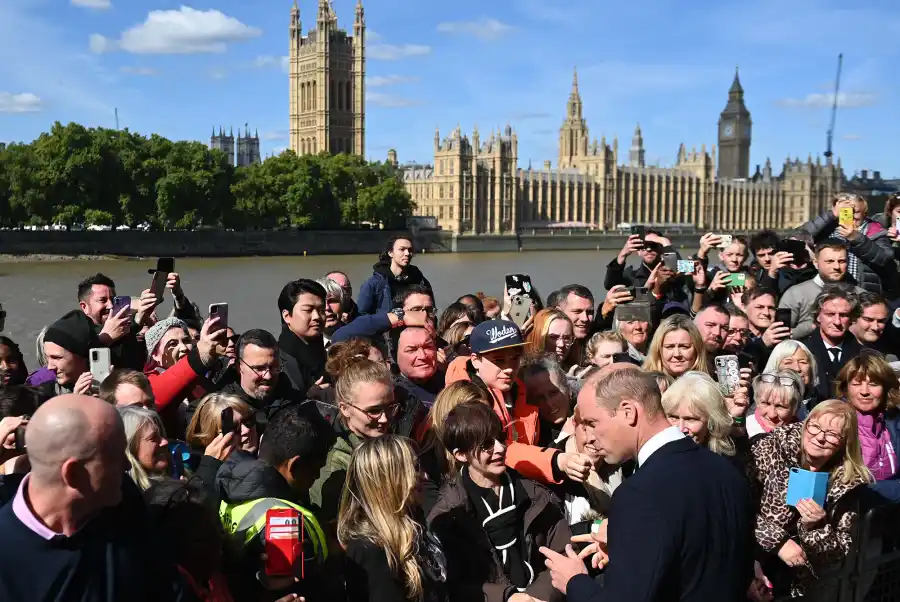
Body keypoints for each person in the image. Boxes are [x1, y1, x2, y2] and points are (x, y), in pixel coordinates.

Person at [540, 369, 754, 602]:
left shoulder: (639, 494)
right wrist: (630, 549)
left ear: (628, 412)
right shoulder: (726, 471)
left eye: (592, 422)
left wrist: (575, 582)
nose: (590, 436)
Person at [0, 394, 188, 600]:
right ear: (73, 474)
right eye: (115, 456)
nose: (127, 465)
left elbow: (166, 586)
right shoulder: (7, 560)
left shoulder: (122, 499)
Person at [429, 402, 571, 602]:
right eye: (486, 444)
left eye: (501, 438)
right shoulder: (448, 514)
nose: (500, 448)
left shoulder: (535, 495)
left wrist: (537, 596)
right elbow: (449, 583)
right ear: (461, 454)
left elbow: (563, 551)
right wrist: (507, 598)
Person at [749, 400, 872, 599]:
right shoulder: (771, 448)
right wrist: (778, 543)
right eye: (815, 426)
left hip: (799, 585)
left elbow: (837, 554)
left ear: (844, 442)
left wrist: (816, 528)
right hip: (751, 562)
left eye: (832, 434)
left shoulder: (846, 482)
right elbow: (738, 508)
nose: (820, 438)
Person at [445, 319, 590, 486]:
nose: (509, 368)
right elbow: (500, 449)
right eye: (499, 360)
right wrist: (557, 460)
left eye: (514, 359)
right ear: (476, 360)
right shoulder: (465, 399)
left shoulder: (518, 389)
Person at [217, 402, 333, 602]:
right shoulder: (283, 522)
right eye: (317, 468)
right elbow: (296, 590)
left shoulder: (228, 485)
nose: (317, 476)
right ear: (295, 465)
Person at [339, 435, 449, 602]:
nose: (425, 476)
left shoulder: (414, 519)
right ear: (389, 480)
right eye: (415, 467)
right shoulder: (370, 549)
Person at [309, 359, 396, 526]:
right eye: (374, 411)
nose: (385, 418)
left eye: (390, 407)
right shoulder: (337, 467)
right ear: (345, 409)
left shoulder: (392, 443)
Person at [834, 353, 900, 498]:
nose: (864, 392)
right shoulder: (833, 422)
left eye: (873, 384)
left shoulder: (894, 421)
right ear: (846, 387)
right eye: (857, 384)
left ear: (886, 387)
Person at [216, 329, 306, 434]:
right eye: (259, 368)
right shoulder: (221, 408)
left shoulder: (295, 401)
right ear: (238, 367)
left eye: (273, 367)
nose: (268, 376)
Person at [803, 192, 894, 294]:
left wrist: (857, 238)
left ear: (864, 212)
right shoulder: (827, 230)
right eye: (846, 211)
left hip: (865, 294)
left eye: (855, 212)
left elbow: (885, 259)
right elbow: (798, 236)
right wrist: (831, 214)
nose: (851, 216)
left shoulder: (875, 231)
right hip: (829, 292)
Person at [779, 241, 864, 339]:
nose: (836, 267)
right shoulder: (794, 294)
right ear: (815, 262)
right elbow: (780, 336)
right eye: (830, 261)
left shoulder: (860, 295)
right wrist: (812, 326)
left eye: (842, 261)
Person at [800, 287, 863, 402]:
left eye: (843, 315)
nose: (837, 322)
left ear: (852, 318)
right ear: (818, 316)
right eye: (830, 314)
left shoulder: (863, 355)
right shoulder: (801, 351)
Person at [660, 371, 738, 458]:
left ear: (712, 422)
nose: (681, 429)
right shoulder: (653, 460)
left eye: (691, 419)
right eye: (673, 417)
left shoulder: (725, 464)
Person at [358, 236, 433, 316]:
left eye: (410, 250)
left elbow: (432, 311)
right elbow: (362, 317)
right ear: (390, 253)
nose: (407, 253)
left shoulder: (420, 280)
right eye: (402, 249)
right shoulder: (374, 284)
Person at [278, 278, 328, 393]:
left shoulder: (325, 354)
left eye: (322, 310)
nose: (317, 317)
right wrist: (308, 399)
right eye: (308, 310)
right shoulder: (279, 363)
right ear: (287, 316)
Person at [41, 310, 95, 397]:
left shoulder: (116, 388)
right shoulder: (43, 396)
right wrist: (74, 401)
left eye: (57, 358)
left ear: (83, 356)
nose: (50, 367)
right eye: (47, 357)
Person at [521, 354, 572, 446]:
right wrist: (563, 437)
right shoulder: (532, 435)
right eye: (539, 398)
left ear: (568, 389)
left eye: (554, 393)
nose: (549, 403)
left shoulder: (588, 414)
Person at [642, 314, 709, 379]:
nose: (677, 354)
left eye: (684, 346)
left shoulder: (710, 387)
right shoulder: (643, 385)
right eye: (669, 347)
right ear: (658, 350)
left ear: (697, 349)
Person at [763, 340, 822, 412]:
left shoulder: (821, 403)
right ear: (775, 368)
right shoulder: (765, 404)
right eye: (788, 362)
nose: (797, 368)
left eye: (803, 362)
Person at [746, 371, 804, 438]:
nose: (772, 415)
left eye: (780, 406)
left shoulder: (804, 436)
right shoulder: (744, 430)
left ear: (795, 408)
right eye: (766, 403)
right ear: (757, 402)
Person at [316, 276, 347, 345]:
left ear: (342, 304)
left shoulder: (356, 339)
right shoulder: (305, 343)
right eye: (322, 302)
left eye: (332, 301)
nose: (327, 308)